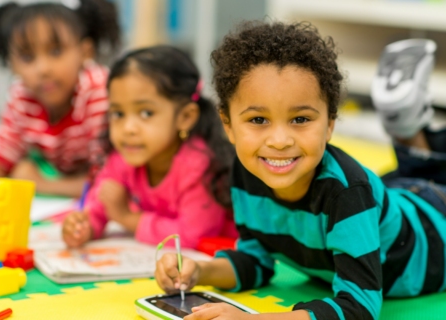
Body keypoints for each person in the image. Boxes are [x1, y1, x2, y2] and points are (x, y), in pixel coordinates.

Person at [154, 21, 446, 320]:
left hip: (435, 222)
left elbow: (359, 308)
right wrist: (200, 270)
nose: (279, 142)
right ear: (228, 124)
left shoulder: (346, 194)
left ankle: (410, 131)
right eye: (257, 120)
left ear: (330, 123)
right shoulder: (246, 173)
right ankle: (410, 131)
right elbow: (257, 260)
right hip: (396, 198)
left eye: (300, 119)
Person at [62, 45, 238, 249]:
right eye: (118, 114)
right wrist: (83, 227)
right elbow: (100, 207)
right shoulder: (124, 158)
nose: (128, 128)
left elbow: (193, 236)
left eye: (146, 113)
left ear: (185, 117)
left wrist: (127, 218)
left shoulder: (199, 166)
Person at [0, 0, 120, 203]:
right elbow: (3, 151)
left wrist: (41, 184)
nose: (43, 69)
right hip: (75, 175)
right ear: (11, 64)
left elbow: (111, 181)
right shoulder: (22, 95)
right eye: (28, 57)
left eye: (56, 51)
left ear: (85, 52)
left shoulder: (99, 92)